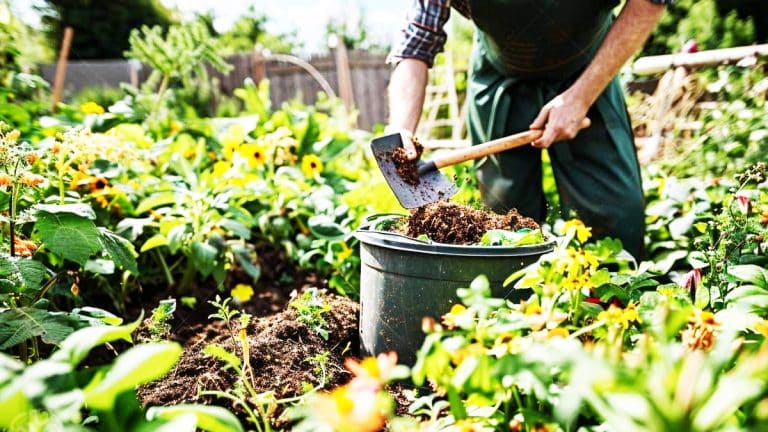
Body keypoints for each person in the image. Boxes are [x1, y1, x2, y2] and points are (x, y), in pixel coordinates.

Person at [386, 0, 671, 260]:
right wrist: (400, 129)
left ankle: (612, 308)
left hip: (591, 70)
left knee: (615, 221)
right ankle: (516, 309)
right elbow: (418, 40)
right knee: (505, 222)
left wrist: (581, 97)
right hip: (500, 78)